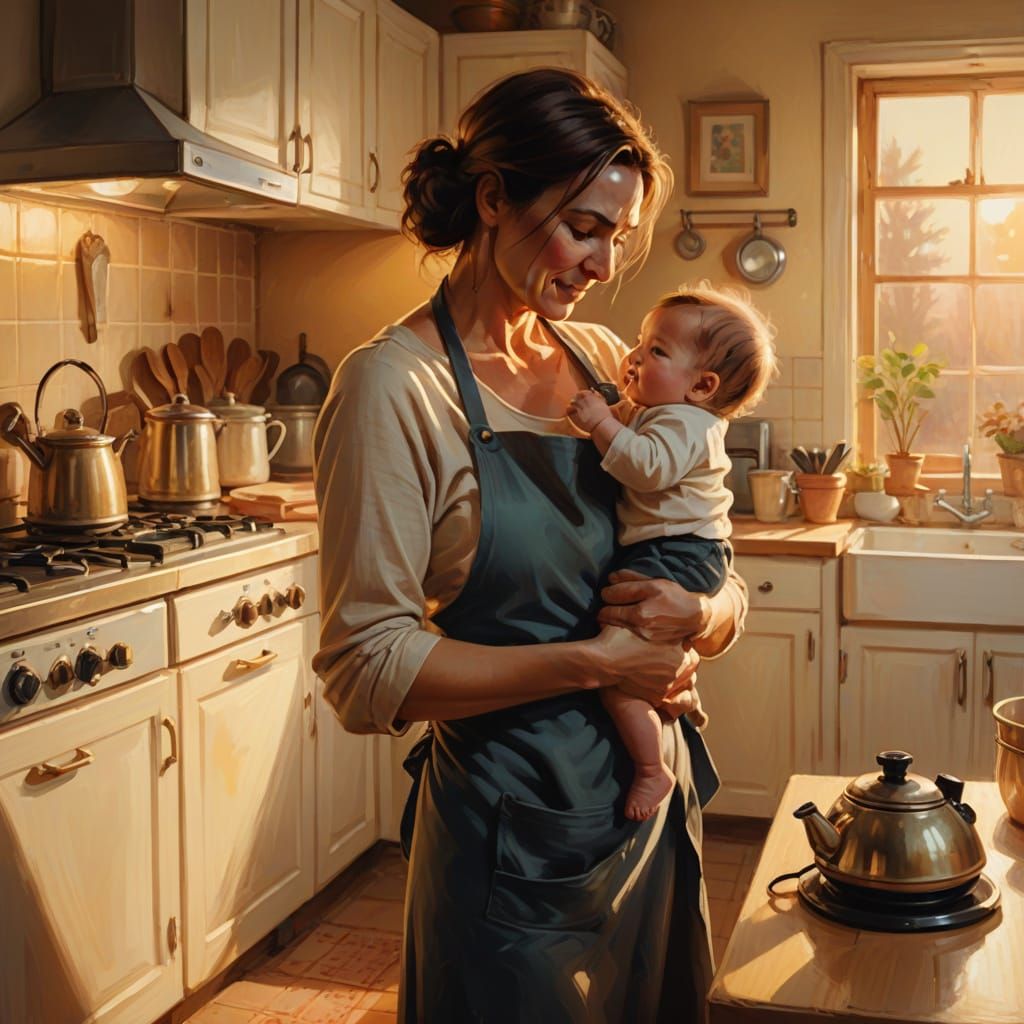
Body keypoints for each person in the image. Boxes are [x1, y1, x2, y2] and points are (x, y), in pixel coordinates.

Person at [312, 68, 749, 1023]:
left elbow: (705, 542)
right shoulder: (396, 388)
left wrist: (706, 615)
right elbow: (366, 667)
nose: (601, 266)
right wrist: (595, 661)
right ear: (494, 196)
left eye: (617, 239)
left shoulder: (602, 360)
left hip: (648, 814)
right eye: (583, 226)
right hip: (511, 841)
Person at [567, 283, 777, 821]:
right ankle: (672, 704)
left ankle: (650, 768)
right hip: (677, 550)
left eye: (655, 351)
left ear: (703, 386)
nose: (634, 356)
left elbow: (646, 467)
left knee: (622, 671)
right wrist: (619, 408)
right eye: (639, 342)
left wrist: (600, 422)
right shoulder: (663, 409)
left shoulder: (688, 421)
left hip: (679, 553)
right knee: (632, 660)